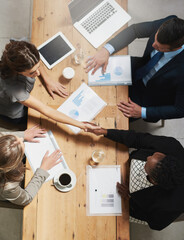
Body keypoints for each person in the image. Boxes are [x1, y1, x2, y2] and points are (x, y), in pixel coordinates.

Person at [85, 15, 184, 122]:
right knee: (90, 73)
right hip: (140, 67)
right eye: (155, 39)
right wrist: (106, 50)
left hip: (149, 96)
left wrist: (142, 112)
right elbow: (135, 30)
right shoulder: (168, 25)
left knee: (106, 116)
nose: (153, 45)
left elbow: (180, 109)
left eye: (160, 48)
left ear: (177, 47)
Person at [88, 126, 184, 230]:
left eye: (146, 164)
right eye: (154, 155)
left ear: (154, 181)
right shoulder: (171, 146)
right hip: (125, 166)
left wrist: (128, 199)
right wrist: (106, 132)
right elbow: (137, 138)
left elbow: (156, 224)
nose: (148, 157)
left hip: (133, 203)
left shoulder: (171, 206)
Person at [0, 40, 98, 131]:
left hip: (22, 95)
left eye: (38, 67)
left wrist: (48, 80)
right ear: (18, 71)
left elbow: (36, 62)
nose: (38, 73)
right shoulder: (15, 89)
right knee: (25, 123)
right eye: (32, 73)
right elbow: (46, 110)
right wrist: (81, 125)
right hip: (14, 114)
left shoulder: (21, 51)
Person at [0, 125, 63, 206]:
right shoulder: (8, 187)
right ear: (14, 164)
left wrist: (23, 135)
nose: (21, 139)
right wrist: (43, 170)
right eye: (21, 143)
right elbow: (27, 198)